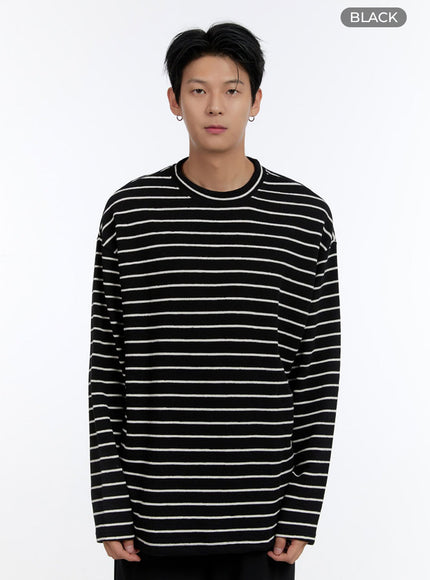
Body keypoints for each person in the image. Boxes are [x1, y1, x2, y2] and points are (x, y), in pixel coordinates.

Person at [88, 21, 341, 580]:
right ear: (174, 102)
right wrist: (109, 503)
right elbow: (107, 367)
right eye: (198, 90)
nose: (215, 106)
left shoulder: (304, 218)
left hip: (262, 524)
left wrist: (303, 505)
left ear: (256, 101)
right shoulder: (130, 214)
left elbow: (317, 372)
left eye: (232, 90)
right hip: (151, 522)